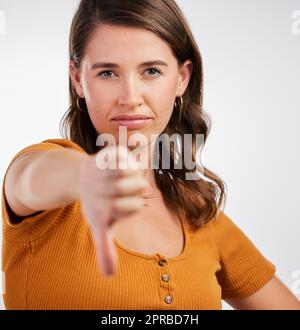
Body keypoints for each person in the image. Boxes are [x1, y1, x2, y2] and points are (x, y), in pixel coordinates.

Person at [2, 0, 300, 310]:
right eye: (107, 73)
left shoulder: (199, 216)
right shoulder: (47, 182)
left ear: (182, 78)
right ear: (78, 79)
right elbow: (29, 179)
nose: (130, 98)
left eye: (152, 71)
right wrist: (88, 175)